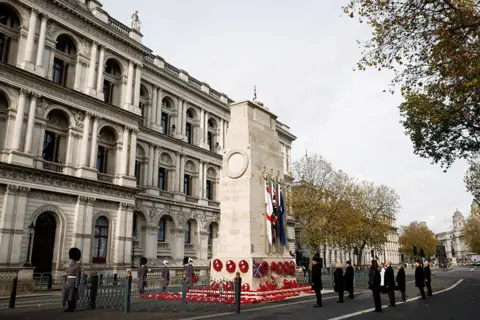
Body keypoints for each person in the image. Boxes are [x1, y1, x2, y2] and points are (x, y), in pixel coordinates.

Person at [63, 248, 81, 312]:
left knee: (71, 295)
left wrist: (76, 284)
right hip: (68, 282)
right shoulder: (70, 265)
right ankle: (69, 306)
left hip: (73, 282)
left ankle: (71, 307)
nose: (71, 261)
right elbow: (68, 273)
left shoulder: (77, 266)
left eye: (72, 260)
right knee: (67, 295)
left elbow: (78, 276)